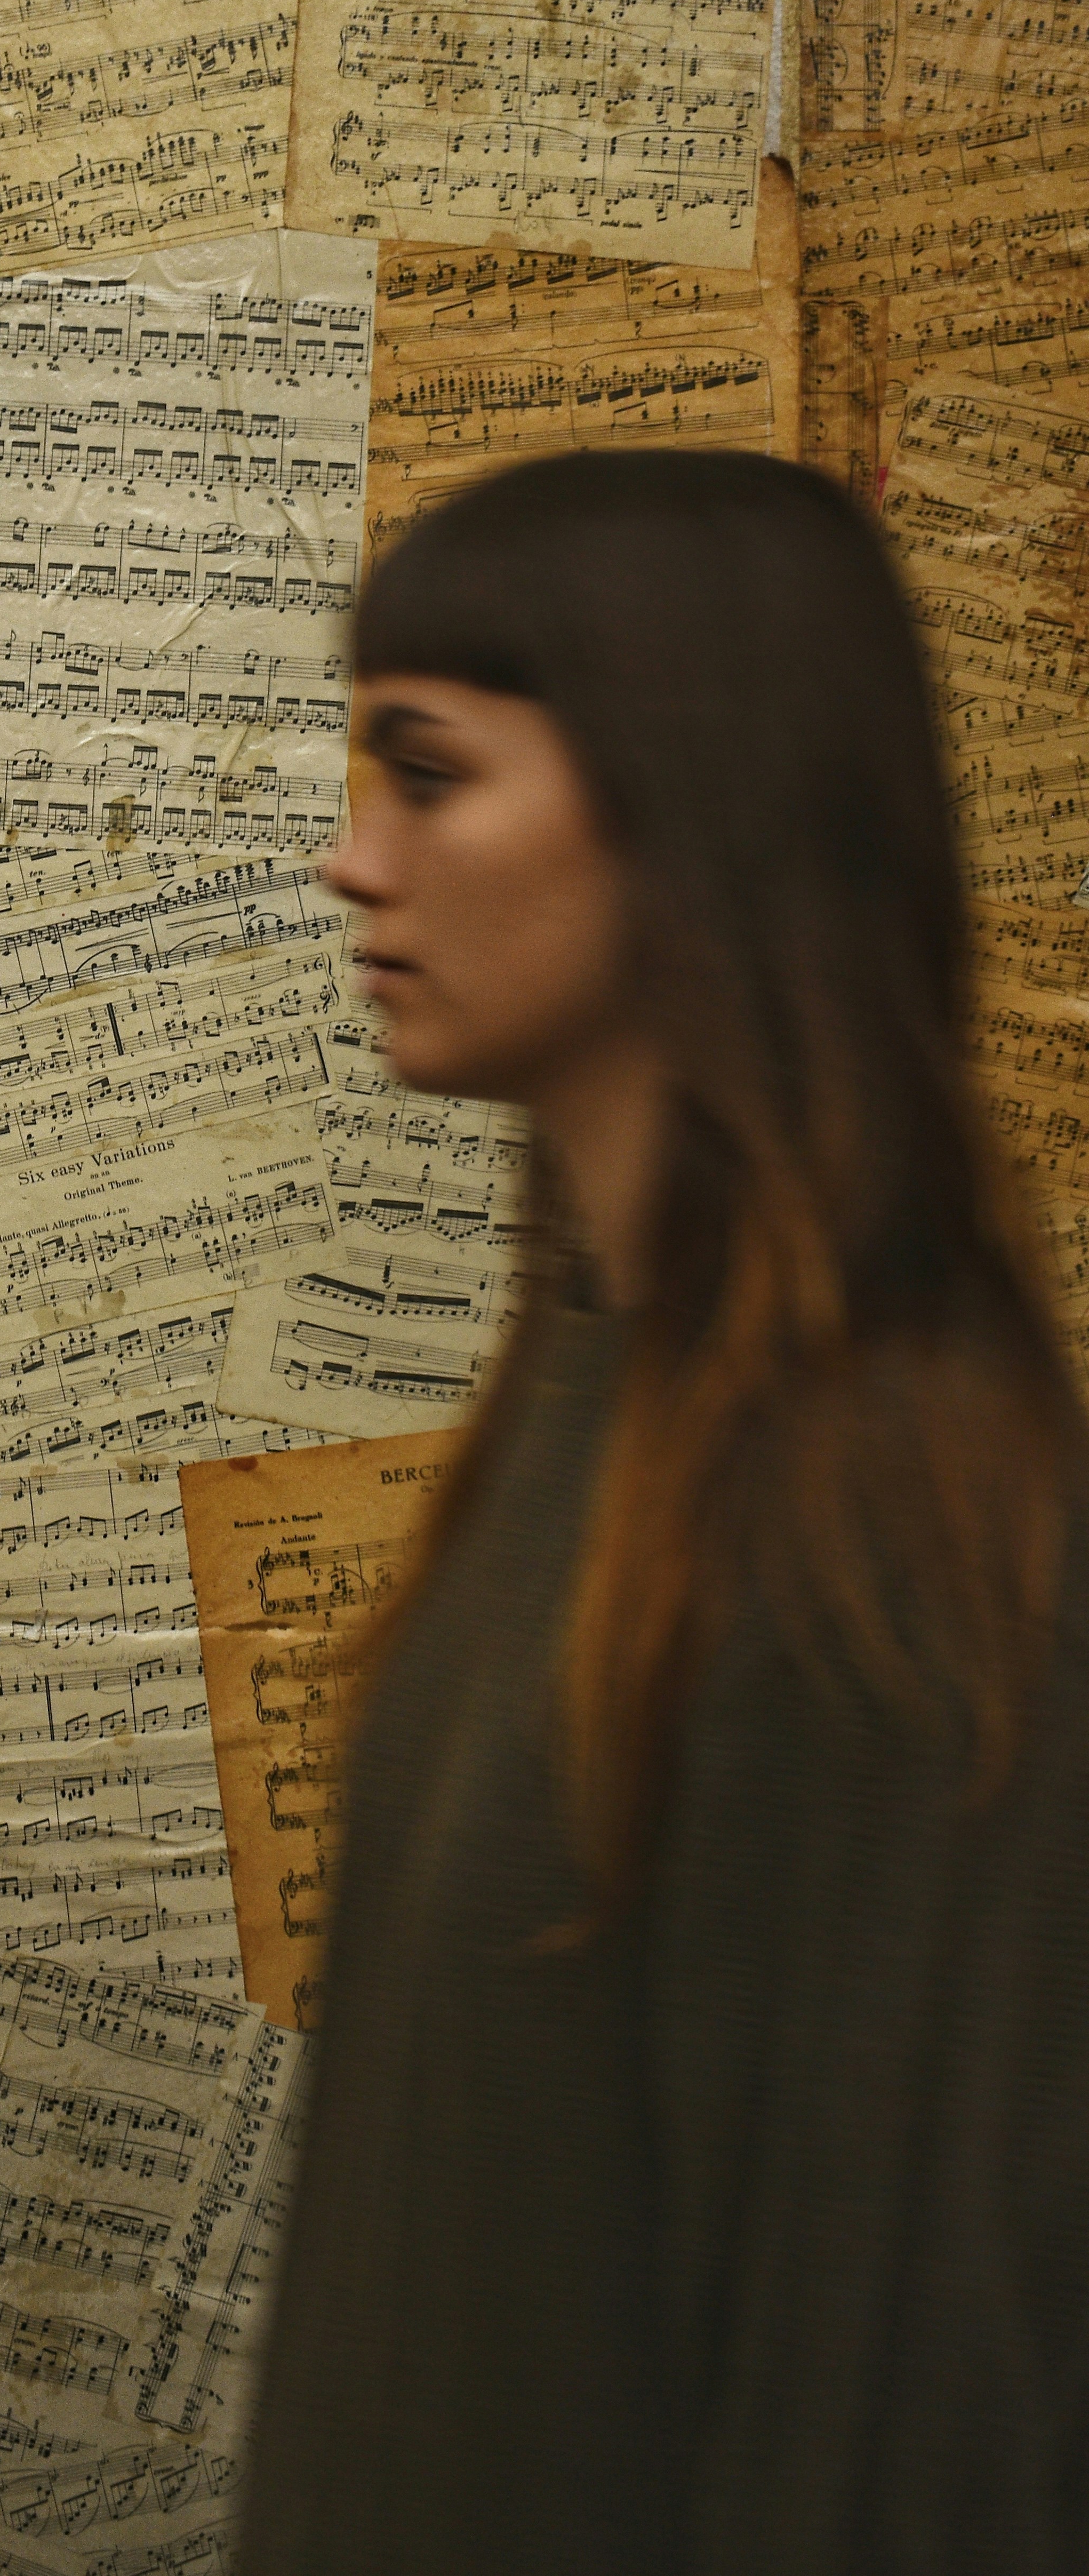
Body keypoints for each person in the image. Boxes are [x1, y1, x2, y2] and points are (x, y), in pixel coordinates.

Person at [234, 448, 1089, 2575]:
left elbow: (893, 2439)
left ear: (685, 806)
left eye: (426, 777)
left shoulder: (880, 1520)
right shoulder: (590, 1403)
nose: (352, 865)